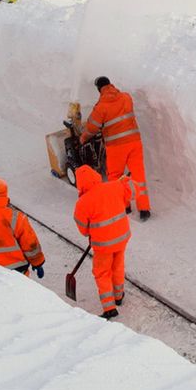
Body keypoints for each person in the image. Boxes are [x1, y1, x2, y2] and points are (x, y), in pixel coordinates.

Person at [82, 77, 151, 220]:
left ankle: (124, 207)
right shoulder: (126, 97)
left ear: (99, 89)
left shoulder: (101, 107)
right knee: (139, 176)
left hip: (116, 147)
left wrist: (83, 137)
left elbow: (92, 127)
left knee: (116, 178)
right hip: (134, 142)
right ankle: (144, 209)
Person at [73, 165, 133, 319]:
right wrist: (124, 181)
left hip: (103, 246)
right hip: (122, 238)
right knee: (118, 266)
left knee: (102, 273)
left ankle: (109, 308)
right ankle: (119, 296)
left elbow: (82, 228)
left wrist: (90, 232)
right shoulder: (114, 186)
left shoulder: (83, 203)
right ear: (95, 175)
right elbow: (129, 195)